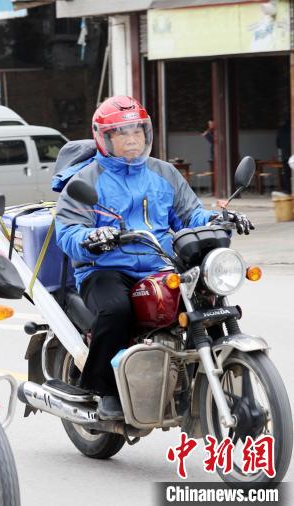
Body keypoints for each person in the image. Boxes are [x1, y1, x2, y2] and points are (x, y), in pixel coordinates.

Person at [55, 96, 254, 420]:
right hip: (107, 268)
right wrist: (91, 237)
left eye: (137, 131)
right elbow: (67, 230)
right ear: (104, 138)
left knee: (207, 297)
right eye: (121, 133)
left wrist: (222, 219)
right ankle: (103, 388)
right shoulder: (85, 181)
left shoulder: (163, 173)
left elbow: (190, 214)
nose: (131, 138)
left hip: (161, 262)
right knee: (116, 310)